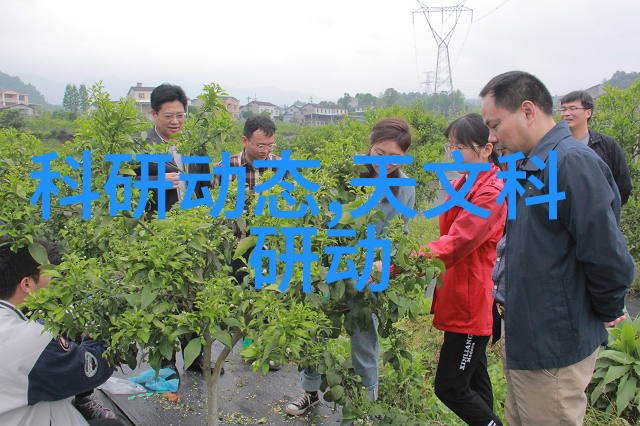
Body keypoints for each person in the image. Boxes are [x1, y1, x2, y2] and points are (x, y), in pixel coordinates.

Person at [480, 71, 635, 426]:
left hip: (553, 345)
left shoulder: (571, 163)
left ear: (528, 111)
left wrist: (606, 309)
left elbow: (607, 256)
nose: (491, 137)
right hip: (529, 337)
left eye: (495, 124)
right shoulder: (532, 164)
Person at [285, 117, 415, 416]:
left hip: (367, 274)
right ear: (370, 146)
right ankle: (310, 391)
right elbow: (317, 219)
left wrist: (379, 263)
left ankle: (363, 406)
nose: (386, 162)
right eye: (380, 154)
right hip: (327, 270)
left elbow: (399, 235)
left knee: (364, 337)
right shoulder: (345, 175)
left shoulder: (403, 187)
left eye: (395, 157)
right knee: (315, 330)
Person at [419, 113, 506, 426]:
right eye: (450, 146)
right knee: (475, 383)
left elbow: (456, 242)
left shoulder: (492, 191)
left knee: (451, 388)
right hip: (459, 293)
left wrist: (398, 264)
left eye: (461, 147)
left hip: (473, 304)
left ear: (485, 150)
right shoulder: (462, 183)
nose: (452, 154)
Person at [0, 236, 121, 426]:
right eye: (49, 271)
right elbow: (93, 368)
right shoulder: (31, 341)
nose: (57, 275)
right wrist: (101, 325)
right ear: (27, 284)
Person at [212, 114, 289, 372]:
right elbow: (214, 208)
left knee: (267, 296)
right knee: (244, 295)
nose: (266, 152)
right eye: (260, 146)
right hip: (238, 244)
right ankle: (247, 342)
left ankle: (264, 349)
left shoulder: (281, 166)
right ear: (245, 140)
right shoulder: (225, 167)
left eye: (270, 146)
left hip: (269, 245)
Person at [139, 83, 211, 221]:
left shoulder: (195, 145)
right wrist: (155, 182)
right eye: (168, 116)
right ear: (154, 114)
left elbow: (204, 187)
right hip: (158, 227)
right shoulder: (142, 146)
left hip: (192, 224)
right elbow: (122, 185)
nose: (175, 121)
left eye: (180, 115)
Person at [560, 90, 632, 206]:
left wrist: (609, 211)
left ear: (588, 113)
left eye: (572, 109)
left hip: (600, 217)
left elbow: (623, 184)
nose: (566, 113)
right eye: (563, 109)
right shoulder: (555, 145)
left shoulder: (607, 145)